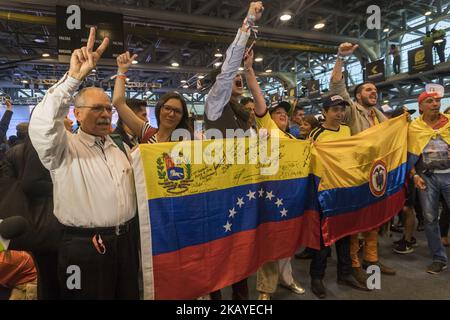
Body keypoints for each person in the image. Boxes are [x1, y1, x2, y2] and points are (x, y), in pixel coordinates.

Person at [29, 27, 140, 299]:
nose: (105, 114)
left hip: (124, 243)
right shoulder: (63, 147)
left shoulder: (118, 148)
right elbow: (42, 124)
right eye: (97, 109)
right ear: (76, 114)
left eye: (108, 109)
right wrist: (73, 79)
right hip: (82, 248)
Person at [199, 1, 264, 300]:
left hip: (243, 187)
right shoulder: (216, 104)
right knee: (218, 254)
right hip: (219, 190)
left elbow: (260, 107)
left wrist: (249, 70)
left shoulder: (243, 113)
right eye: (233, 78)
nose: (237, 79)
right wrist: (248, 22)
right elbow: (227, 69)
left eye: (240, 78)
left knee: (242, 253)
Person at [329, 42, 396, 286]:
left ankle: (372, 259)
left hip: (378, 175)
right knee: (357, 221)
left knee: (375, 220)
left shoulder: (380, 116)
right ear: (358, 96)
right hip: (358, 174)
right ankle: (354, 264)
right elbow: (337, 86)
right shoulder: (352, 111)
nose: (373, 92)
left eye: (375, 90)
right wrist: (340, 58)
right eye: (368, 89)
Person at [245, 49, 305, 300]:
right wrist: (249, 71)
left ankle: (288, 279)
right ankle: (265, 289)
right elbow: (259, 101)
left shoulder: (295, 138)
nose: (281, 115)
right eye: (276, 113)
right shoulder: (267, 127)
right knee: (270, 243)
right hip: (271, 195)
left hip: (292, 196)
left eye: (284, 113)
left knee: (288, 242)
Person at [308, 94, 370, 298]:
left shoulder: (346, 130)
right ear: (324, 112)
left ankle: (345, 273)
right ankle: (317, 278)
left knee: (344, 235)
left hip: (345, 190)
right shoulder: (316, 134)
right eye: (334, 109)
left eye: (341, 109)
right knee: (323, 240)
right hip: (325, 193)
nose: (339, 113)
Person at [409, 89, 450, 274]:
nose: (435, 104)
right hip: (426, 177)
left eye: (437, 101)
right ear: (421, 106)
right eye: (430, 101)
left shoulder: (449, 124)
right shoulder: (413, 128)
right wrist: (414, 175)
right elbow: (408, 154)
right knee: (430, 218)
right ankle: (439, 257)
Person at [113, 53, 191, 144]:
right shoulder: (147, 132)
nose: (171, 114)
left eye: (177, 111)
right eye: (167, 108)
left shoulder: (185, 143)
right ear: (160, 109)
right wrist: (121, 72)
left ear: (182, 116)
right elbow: (119, 103)